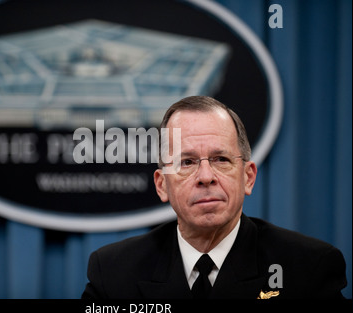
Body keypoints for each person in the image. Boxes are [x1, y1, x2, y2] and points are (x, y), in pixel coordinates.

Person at [81, 96, 347, 299]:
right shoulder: (114, 274)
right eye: (186, 162)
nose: (205, 176)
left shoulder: (309, 269)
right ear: (162, 185)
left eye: (221, 159)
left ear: (248, 177)